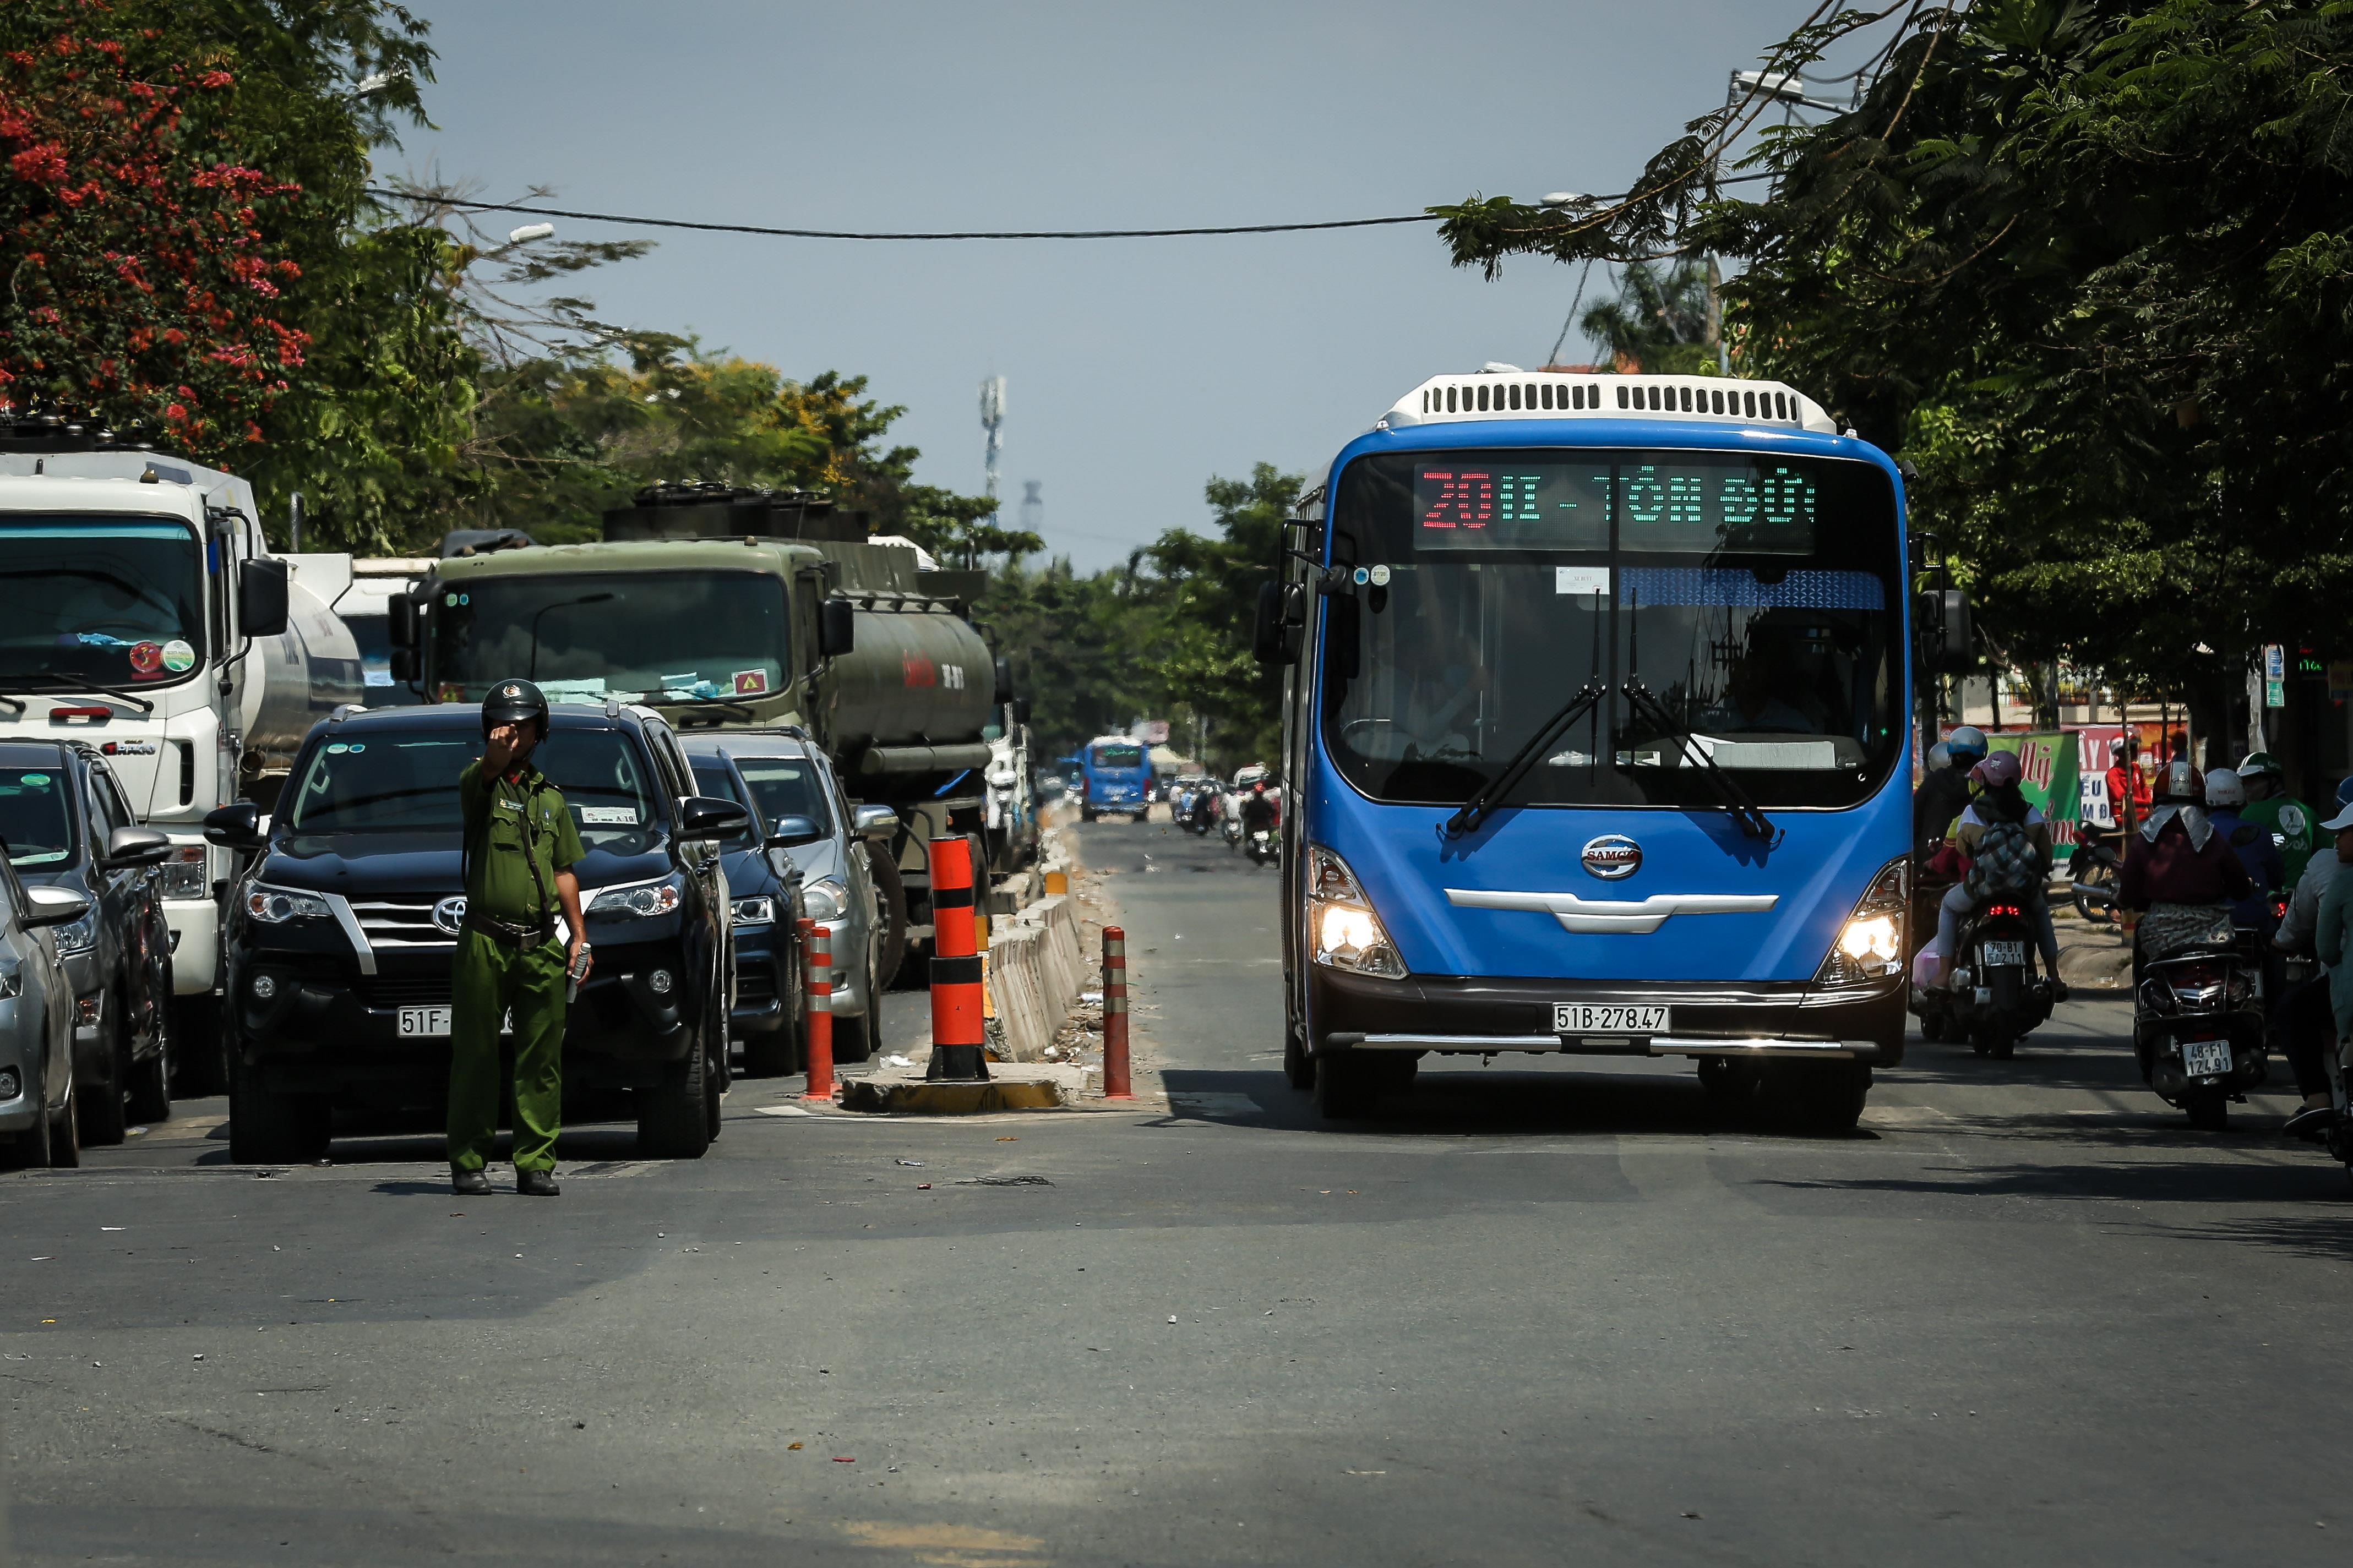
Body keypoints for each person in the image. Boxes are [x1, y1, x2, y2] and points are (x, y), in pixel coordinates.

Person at [448, 678, 590, 1198]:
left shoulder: (551, 798)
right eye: (502, 723)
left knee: (542, 1059)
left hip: (540, 944)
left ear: (539, 730)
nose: (511, 732)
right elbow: (483, 776)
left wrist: (579, 937)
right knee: (476, 1055)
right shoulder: (479, 783)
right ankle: (468, 1160)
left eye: (522, 723)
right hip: (486, 942)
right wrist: (493, 757)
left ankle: (535, 1163)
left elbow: (564, 872)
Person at [1931, 749, 2063, 994]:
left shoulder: (1973, 812)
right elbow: (2045, 855)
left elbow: (1962, 848)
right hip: (2023, 892)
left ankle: (1942, 973)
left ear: (1987, 780)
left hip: (1982, 890)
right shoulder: (2030, 813)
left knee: (1949, 906)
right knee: (2042, 911)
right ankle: (2054, 975)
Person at [2117, 758, 2254, 980]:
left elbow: (2128, 892)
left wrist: (2122, 901)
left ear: (2157, 800)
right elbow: (2239, 885)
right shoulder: (2212, 837)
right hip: (2214, 935)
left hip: (2160, 938)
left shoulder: (2145, 839)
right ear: (2202, 802)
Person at [2272, 783, 2353, 1137]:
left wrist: (2281, 945)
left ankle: (2318, 1099)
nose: (2336, 842)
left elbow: (2325, 949)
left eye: (2343, 833)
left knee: (2292, 1010)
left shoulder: (2336, 877)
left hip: (2345, 994)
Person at [2201, 767, 2284, 931]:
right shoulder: (2261, 833)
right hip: (2254, 925)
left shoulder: (2194, 834)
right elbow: (2277, 879)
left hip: (2208, 925)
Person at [2238, 751, 2319, 887]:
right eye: (2244, 783)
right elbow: (2329, 851)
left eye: (2254, 782)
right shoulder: (2309, 813)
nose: (2247, 789)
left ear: (2274, 782)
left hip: (2267, 894)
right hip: (2305, 894)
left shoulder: (2250, 813)